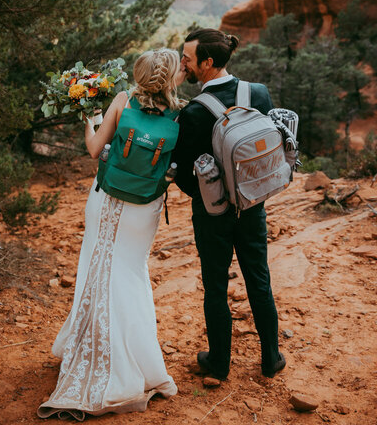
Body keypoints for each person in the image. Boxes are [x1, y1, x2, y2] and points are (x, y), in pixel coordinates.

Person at [38, 49, 186, 421]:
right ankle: (143, 363)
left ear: (140, 72)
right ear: (172, 77)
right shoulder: (182, 113)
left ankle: (94, 350)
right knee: (132, 275)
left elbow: (93, 149)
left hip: (106, 201)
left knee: (97, 268)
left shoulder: (123, 100)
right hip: (145, 209)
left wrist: (90, 119)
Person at [173, 28, 286, 381]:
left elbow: (183, 173)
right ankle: (271, 358)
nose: (183, 65)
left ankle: (219, 363)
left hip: (212, 214)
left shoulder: (193, 111)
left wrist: (212, 197)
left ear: (207, 62)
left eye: (187, 60)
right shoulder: (258, 93)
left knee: (216, 286)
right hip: (253, 206)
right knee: (259, 280)